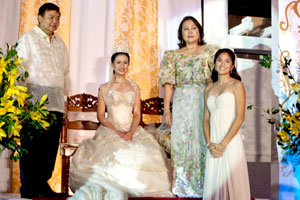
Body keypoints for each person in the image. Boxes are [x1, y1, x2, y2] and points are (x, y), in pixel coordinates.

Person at [68, 51, 172, 200]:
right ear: (113, 65)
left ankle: (136, 190)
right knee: (116, 153)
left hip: (132, 129)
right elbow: (100, 116)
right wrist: (116, 131)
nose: (122, 66)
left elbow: (137, 114)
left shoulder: (135, 87)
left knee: (145, 153)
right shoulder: (104, 88)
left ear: (129, 65)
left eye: (125, 62)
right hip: (110, 128)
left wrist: (130, 132)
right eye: (118, 62)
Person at [158, 16, 218, 197]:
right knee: (181, 141)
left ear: (199, 31)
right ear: (181, 34)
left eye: (193, 28)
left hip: (204, 101)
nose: (190, 31)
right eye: (186, 29)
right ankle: (183, 186)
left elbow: (218, 78)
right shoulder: (172, 56)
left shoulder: (211, 52)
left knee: (202, 140)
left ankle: (204, 185)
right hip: (182, 101)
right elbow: (169, 83)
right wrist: (167, 109)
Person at [16, 3, 69, 198]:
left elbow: (65, 76)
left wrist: (64, 103)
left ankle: (42, 185)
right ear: (39, 17)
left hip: (55, 102)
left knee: (49, 147)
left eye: (57, 18)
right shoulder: (28, 40)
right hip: (33, 102)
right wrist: (20, 99)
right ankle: (29, 189)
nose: (54, 22)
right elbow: (18, 70)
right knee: (32, 147)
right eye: (50, 17)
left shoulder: (61, 45)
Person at [203, 48, 251, 199]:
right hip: (213, 144)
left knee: (232, 181)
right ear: (215, 63)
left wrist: (223, 144)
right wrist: (210, 143)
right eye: (219, 60)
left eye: (227, 61)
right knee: (214, 182)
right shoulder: (209, 88)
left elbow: (240, 118)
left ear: (232, 66)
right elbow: (205, 119)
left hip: (230, 141)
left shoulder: (237, 85)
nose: (222, 64)